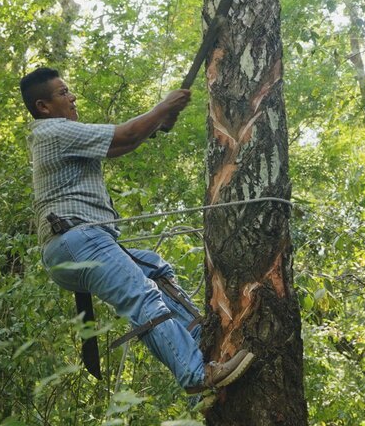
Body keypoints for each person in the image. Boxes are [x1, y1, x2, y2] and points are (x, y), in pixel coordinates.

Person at [19, 67, 254, 394]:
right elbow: (125, 135)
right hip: (77, 241)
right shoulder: (52, 132)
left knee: (155, 269)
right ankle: (195, 374)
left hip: (82, 243)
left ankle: (199, 344)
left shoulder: (66, 136)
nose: (72, 97)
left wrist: (160, 118)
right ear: (44, 106)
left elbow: (119, 145)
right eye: (63, 93)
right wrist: (162, 108)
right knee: (142, 295)